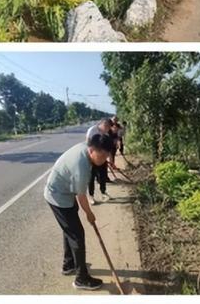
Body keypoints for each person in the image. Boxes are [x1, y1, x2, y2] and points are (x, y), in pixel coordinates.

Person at [44, 133, 115, 291]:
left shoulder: (86, 149)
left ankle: (68, 264)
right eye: (102, 156)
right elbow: (81, 196)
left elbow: (78, 193)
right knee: (77, 235)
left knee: (69, 231)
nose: (104, 160)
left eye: (106, 156)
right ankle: (81, 278)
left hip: (65, 193)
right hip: (58, 197)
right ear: (92, 150)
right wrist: (90, 214)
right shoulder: (81, 165)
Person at [86, 118, 113, 205]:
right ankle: (91, 196)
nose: (107, 128)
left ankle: (103, 192)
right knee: (91, 177)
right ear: (101, 123)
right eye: (106, 126)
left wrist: (107, 158)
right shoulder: (92, 130)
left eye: (108, 127)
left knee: (103, 176)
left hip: (102, 158)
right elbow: (88, 144)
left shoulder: (106, 133)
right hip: (93, 157)